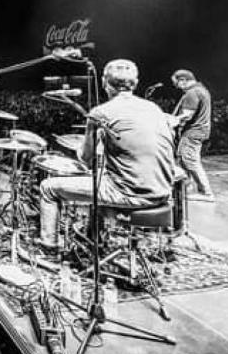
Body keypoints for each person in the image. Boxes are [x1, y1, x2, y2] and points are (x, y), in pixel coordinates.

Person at [39, 59, 175, 249]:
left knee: (48, 187)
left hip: (131, 194)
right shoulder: (154, 109)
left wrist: (82, 147)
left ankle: (48, 246)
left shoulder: (101, 113)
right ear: (135, 84)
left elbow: (85, 160)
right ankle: (93, 239)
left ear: (104, 83)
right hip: (163, 191)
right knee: (103, 179)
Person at [171, 69, 214, 201]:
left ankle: (206, 192)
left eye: (176, 84)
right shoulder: (202, 90)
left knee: (190, 161)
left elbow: (187, 115)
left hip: (192, 132)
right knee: (185, 160)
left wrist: (172, 121)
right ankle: (186, 189)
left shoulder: (192, 93)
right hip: (199, 131)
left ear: (183, 80)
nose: (176, 87)